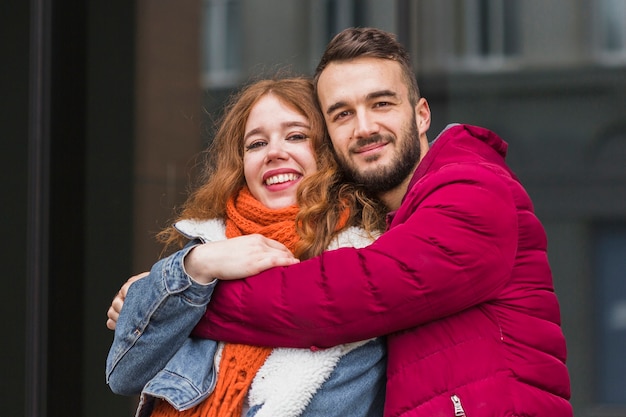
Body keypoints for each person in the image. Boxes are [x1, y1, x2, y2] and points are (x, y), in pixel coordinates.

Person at [163, 27, 573, 416]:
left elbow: (341, 296)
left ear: (421, 114)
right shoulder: (377, 225)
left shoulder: (473, 187)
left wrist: (183, 295)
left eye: (381, 104)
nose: (364, 127)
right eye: (342, 114)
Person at [105, 77, 388, 417]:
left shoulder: (361, 262)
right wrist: (196, 266)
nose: (274, 153)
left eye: (296, 136)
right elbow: (124, 374)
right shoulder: (205, 251)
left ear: (329, 151)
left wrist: (162, 300)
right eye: (256, 144)